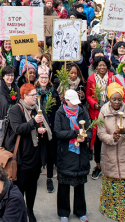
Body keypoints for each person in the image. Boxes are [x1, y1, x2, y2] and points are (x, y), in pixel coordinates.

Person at [8, 83, 51, 221]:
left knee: (32, 187)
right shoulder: (16, 110)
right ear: (25, 96)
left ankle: (29, 210)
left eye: (35, 94)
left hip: (36, 156)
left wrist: (43, 129)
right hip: (22, 157)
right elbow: (18, 129)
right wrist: (33, 123)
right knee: (20, 188)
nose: (35, 97)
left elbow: (45, 125)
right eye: (33, 95)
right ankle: (19, 212)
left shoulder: (38, 109)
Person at [97, 83, 125, 222]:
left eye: (119, 99)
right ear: (109, 98)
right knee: (112, 187)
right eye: (113, 99)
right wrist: (111, 138)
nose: (116, 102)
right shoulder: (103, 111)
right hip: (110, 155)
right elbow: (100, 133)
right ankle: (112, 213)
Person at [85, 56, 125, 180]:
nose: (102, 67)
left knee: (112, 137)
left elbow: (123, 93)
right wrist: (94, 103)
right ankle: (98, 165)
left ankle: (111, 165)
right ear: (96, 66)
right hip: (96, 112)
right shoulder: (91, 78)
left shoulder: (113, 78)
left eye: (104, 65)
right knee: (99, 138)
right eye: (99, 65)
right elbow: (88, 94)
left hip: (112, 113)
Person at [54, 90, 90, 222]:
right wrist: (75, 133)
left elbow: (89, 130)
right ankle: (64, 212)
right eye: (72, 102)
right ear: (66, 101)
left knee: (80, 185)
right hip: (66, 153)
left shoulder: (82, 111)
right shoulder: (60, 113)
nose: (75, 105)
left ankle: (80, 211)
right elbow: (58, 133)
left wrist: (85, 138)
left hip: (81, 154)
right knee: (63, 185)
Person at [35, 66, 60, 194]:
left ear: (49, 78)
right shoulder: (34, 92)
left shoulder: (53, 92)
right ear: (38, 78)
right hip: (38, 128)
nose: (43, 80)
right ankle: (36, 175)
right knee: (38, 152)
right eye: (41, 77)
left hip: (50, 128)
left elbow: (59, 109)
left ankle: (49, 178)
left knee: (50, 154)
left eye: (45, 77)